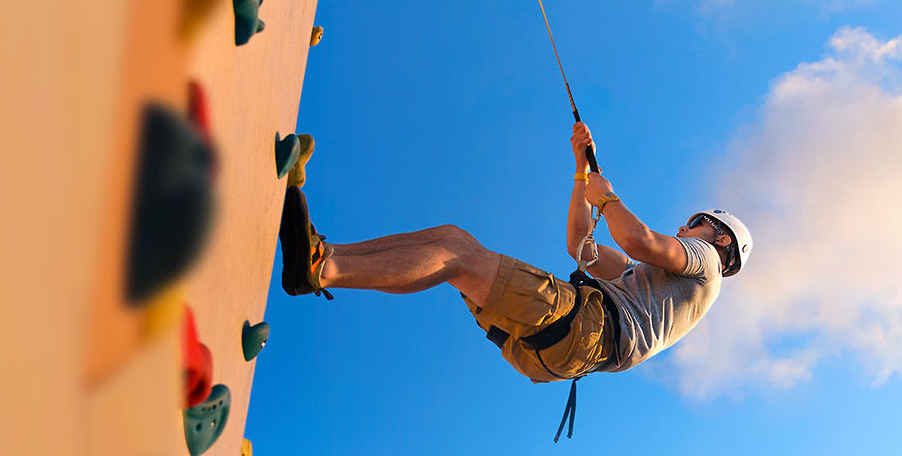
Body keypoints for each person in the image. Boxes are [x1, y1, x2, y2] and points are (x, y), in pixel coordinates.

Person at [278, 122, 752, 390]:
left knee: (457, 255)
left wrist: (607, 199)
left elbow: (640, 240)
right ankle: (324, 256)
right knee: (453, 244)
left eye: (695, 223)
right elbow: (581, 250)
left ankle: (323, 269)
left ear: (722, 239)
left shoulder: (706, 261)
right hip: (560, 352)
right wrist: (580, 176)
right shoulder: (644, 286)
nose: (684, 228)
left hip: (586, 327)